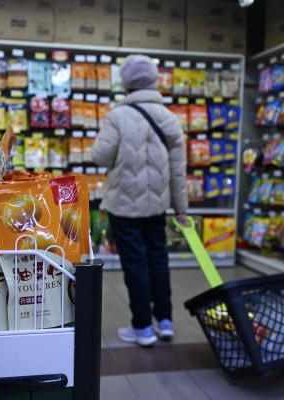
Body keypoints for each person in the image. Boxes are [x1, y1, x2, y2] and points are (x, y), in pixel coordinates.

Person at [92, 54, 188, 347]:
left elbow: (99, 156)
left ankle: (142, 327)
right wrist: (182, 209)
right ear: (154, 80)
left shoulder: (117, 116)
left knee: (135, 264)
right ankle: (166, 320)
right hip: (157, 205)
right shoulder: (169, 117)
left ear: (125, 83)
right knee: (158, 259)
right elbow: (178, 170)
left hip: (124, 204)